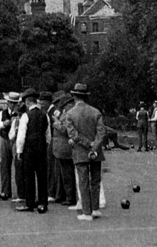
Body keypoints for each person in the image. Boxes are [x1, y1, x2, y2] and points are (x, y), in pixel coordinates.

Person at [64, 83, 106, 221]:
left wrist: (87, 144)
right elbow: (102, 132)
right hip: (96, 151)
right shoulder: (96, 112)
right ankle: (95, 209)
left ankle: (86, 212)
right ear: (86, 96)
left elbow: (73, 134)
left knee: (83, 181)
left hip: (81, 151)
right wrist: (94, 146)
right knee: (95, 181)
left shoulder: (70, 114)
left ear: (74, 96)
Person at [14, 88, 51, 212]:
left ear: (27, 102)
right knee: (42, 176)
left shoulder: (25, 116)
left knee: (28, 176)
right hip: (41, 148)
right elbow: (48, 134)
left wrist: (19, 151)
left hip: (29, 149)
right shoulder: (44, 115)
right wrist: (45, 145)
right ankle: (42, 202)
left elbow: (21, 136)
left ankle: (30, 203)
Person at [0, 92, 20, 200]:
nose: (12, 105)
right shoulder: (2, 113)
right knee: (4, 166)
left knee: (18, 166)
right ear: (7, 102)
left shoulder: (20, 114)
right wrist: (3, 124)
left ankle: (21, 192)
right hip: (4, 139)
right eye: (11, 102)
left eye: (15, 103)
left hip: (16, 140)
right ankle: (6, 191)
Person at [52, 93, 77, 206]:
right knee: (64, 173)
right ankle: (66, 195)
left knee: (67, 173)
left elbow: (67, 131)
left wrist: (57, 124)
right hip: (61, 148)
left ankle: (70, 197)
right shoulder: (65, 114)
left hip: (65, 148)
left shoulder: (68, 115)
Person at [39, 91, 59, 203]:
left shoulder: (54, 112)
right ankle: (51, 191)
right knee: (49, 168)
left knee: (52, 168)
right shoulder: (48, 112)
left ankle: (52, 192)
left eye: (42, 102)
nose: (41, 105)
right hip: (51, 142)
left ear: (47, 102)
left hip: (54, 142)